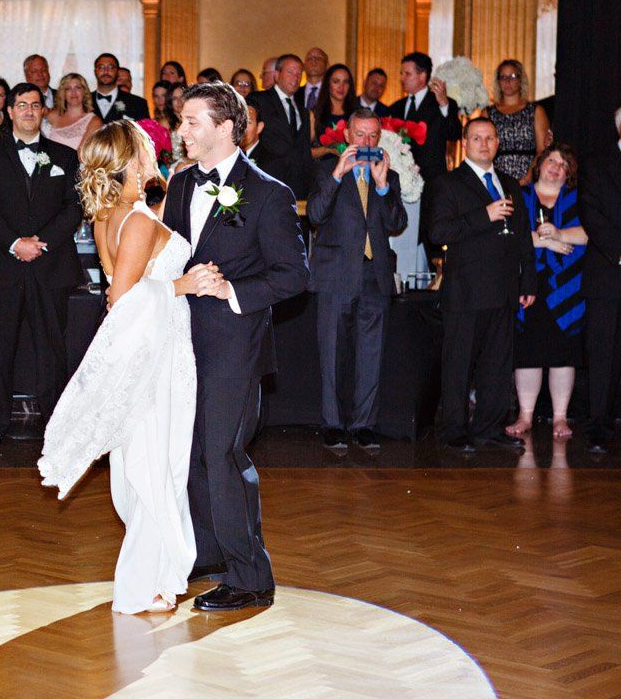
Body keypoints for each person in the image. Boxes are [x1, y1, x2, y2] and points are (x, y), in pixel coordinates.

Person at [39, 120, 222, 613]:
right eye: (145, 148)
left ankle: (158, 575)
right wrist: (183, 286)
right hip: (154, 353)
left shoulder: (110, 215)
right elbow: (121, 296)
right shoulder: (137, 219)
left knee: (148, 459)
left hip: (155, 343)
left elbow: (121, 285)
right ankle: (148, 582)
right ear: (129, 159)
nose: (153, 152)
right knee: (155, 460)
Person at [161, 81, 308, 610]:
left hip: (235, 346)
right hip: (181, 342)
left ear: (226, 128)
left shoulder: (270, 192)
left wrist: (231, 290)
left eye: (192, 122)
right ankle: (210, 553)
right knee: (193, 452)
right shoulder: (179, 185)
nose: (182, 131)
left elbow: (293, 276)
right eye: (182, 121)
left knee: (224, 454)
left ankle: (251, 577)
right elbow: (171, 256)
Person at [0, 83, 82, 449]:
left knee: (52, 349)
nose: (29, 111)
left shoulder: (66, 157)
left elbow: (74, 208)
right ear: (10, 112)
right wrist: (16, 244)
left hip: (50, 266)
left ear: (43, 111)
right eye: (22, 105)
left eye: (35, 105)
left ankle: (56, 424)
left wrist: (40, 244)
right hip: (2, 265)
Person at [428, 117, 535, 453]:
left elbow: (523, 238)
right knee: (459, 364)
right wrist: (483, 216)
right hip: (466, 290)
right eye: (477, 138)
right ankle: (453, 430)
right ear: (465, 142)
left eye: (490, 138)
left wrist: (528, 280)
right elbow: (437, 233)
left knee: (498, 363)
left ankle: (489, 426)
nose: (484, 144)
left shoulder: (510, 183)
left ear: (498, 143)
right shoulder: (448, 183)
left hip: (504, 288)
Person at [306, 109, 406, 450]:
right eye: (360, 135)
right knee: (331, 351)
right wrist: (337, 175)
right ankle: (332, 423)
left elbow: (397, 223)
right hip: (336, 273)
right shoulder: (325, 170)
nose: (366, 142)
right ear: (347, 135)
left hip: (374, 275)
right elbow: (316, 215)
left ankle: (364, 424)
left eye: (373, 136)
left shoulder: (387, 176)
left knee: (371, 352)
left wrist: (381, 186)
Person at [509, 144, 586, 441]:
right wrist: (544, 243)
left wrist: (559, 235)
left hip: (568, 287)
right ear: (539, 165)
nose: (556, 167)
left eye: (564, 164)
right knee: (527, 352)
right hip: (528, 284)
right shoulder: (519, 194)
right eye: (552, 160)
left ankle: (560, 417)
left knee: (561, 354)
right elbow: (509, 236)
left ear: (569, 174)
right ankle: (525, 415)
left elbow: (589, 233)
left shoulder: (578, 199)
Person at [579, 100, 621, 455]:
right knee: (603, 351)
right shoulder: (597, 165)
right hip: (609, 273)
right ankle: (598, 423)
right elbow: (591, 214)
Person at [247, 53, 315, 198]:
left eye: (299, 74)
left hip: (298, 188)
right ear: (277, 75)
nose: (295, 77)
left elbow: (304, 151)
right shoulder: (259, 100)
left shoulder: (303, 111)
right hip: (267, 182)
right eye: (290, 72)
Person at [395, 52, 461, 186]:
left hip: (432, 180)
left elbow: (455, 134)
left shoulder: (443, 103)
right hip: (401, 179)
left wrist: (444, 105)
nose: (402, 78)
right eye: (401, 73)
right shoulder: (396, 107)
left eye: (407, 74)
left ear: (422, 75)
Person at [483, 59, 549, 183]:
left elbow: (542, 150)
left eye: (513, 76)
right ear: (498, 82)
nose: (508, 81)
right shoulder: (488, 113)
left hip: (528, 177)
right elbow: (483, 149)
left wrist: (529, 176)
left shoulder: (536, 111)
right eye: (503, 77)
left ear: (520, 80)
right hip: (496, 178)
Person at [309, 63, 360, 160]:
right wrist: (328, 149)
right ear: (327, 84)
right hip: (322, 171)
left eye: (346, 82)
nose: (342, 87)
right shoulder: (314, 114)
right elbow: (304, 153)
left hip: (354, 170)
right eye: (336, 81)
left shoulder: (358, 113)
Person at [44, 73, 101, 150]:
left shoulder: (94, 122)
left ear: (84, 91)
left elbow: (83, 155)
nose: (73, 92)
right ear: (63, 93)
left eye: (78, 87)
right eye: (68, 88)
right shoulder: (53, 116)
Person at [93, 53, 149, 123]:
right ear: (95, 71)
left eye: (111, 67)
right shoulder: (83, 101)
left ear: (117, 72)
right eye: (101, 67)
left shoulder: (138, 103)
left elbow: (143, 132)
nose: (106, 71)